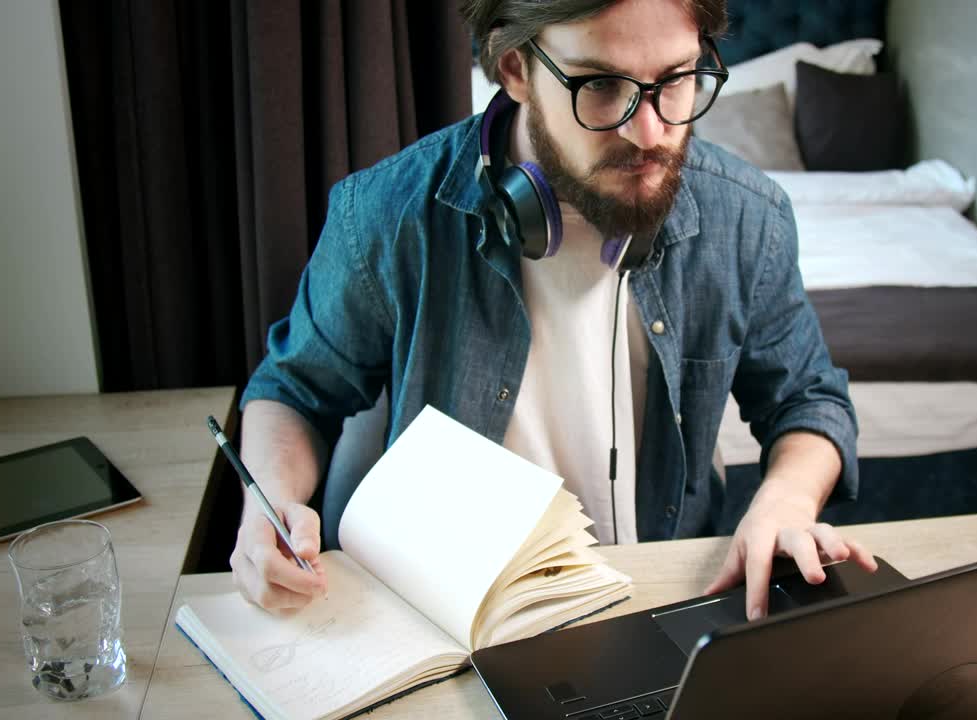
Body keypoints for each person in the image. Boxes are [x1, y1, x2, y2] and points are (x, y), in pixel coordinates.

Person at [230, 0, 877, 623]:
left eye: (677, 80)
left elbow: (807, 399)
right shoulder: (385, 215)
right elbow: (293, 391)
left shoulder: (746, 217)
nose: (649, 132)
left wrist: (787, 499)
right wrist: (270, 503)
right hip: (448, 611)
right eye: (600, 84)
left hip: (659, 599)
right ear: (515, 69)